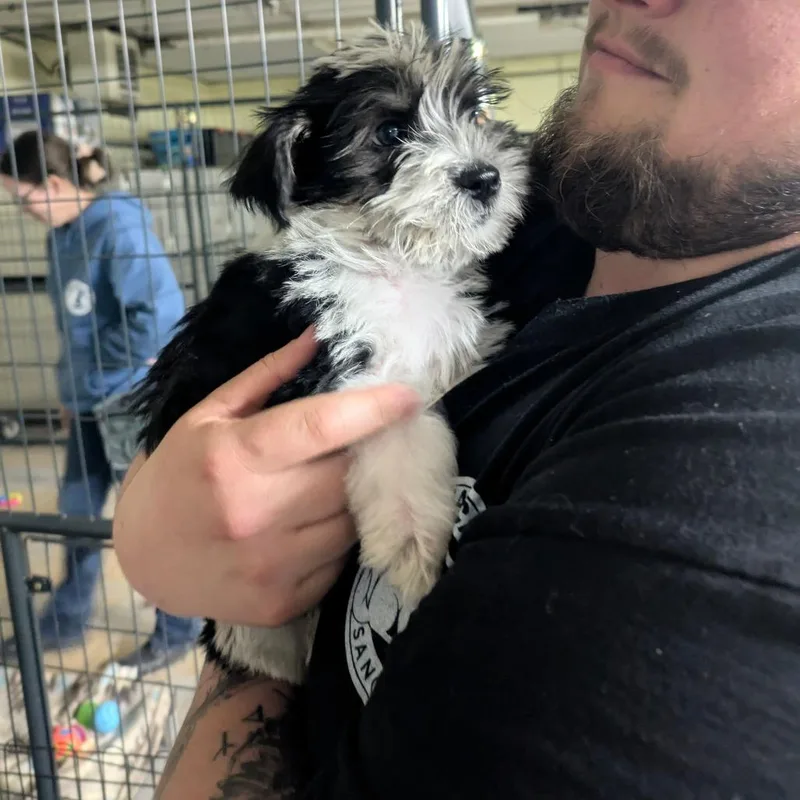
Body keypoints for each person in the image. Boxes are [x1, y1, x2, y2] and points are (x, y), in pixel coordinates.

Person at [113, 0, 800, 797]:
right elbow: (213, 424)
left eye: (468, 109)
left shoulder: (745, 456)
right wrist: (156, 531)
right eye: (397, 134)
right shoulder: (556, 216)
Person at [0, 131, 201, 676]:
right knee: (78, 515)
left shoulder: (116, 227)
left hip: (127, 399)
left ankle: (179, 629)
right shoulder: (61, 237)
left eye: (25, 199)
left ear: (57, 184)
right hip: (89, 402)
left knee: (148, 522)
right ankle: (64, 622)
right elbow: (77, 327)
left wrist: (94, 375)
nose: (24, 211)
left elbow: (157, 321)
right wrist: (72, 391)